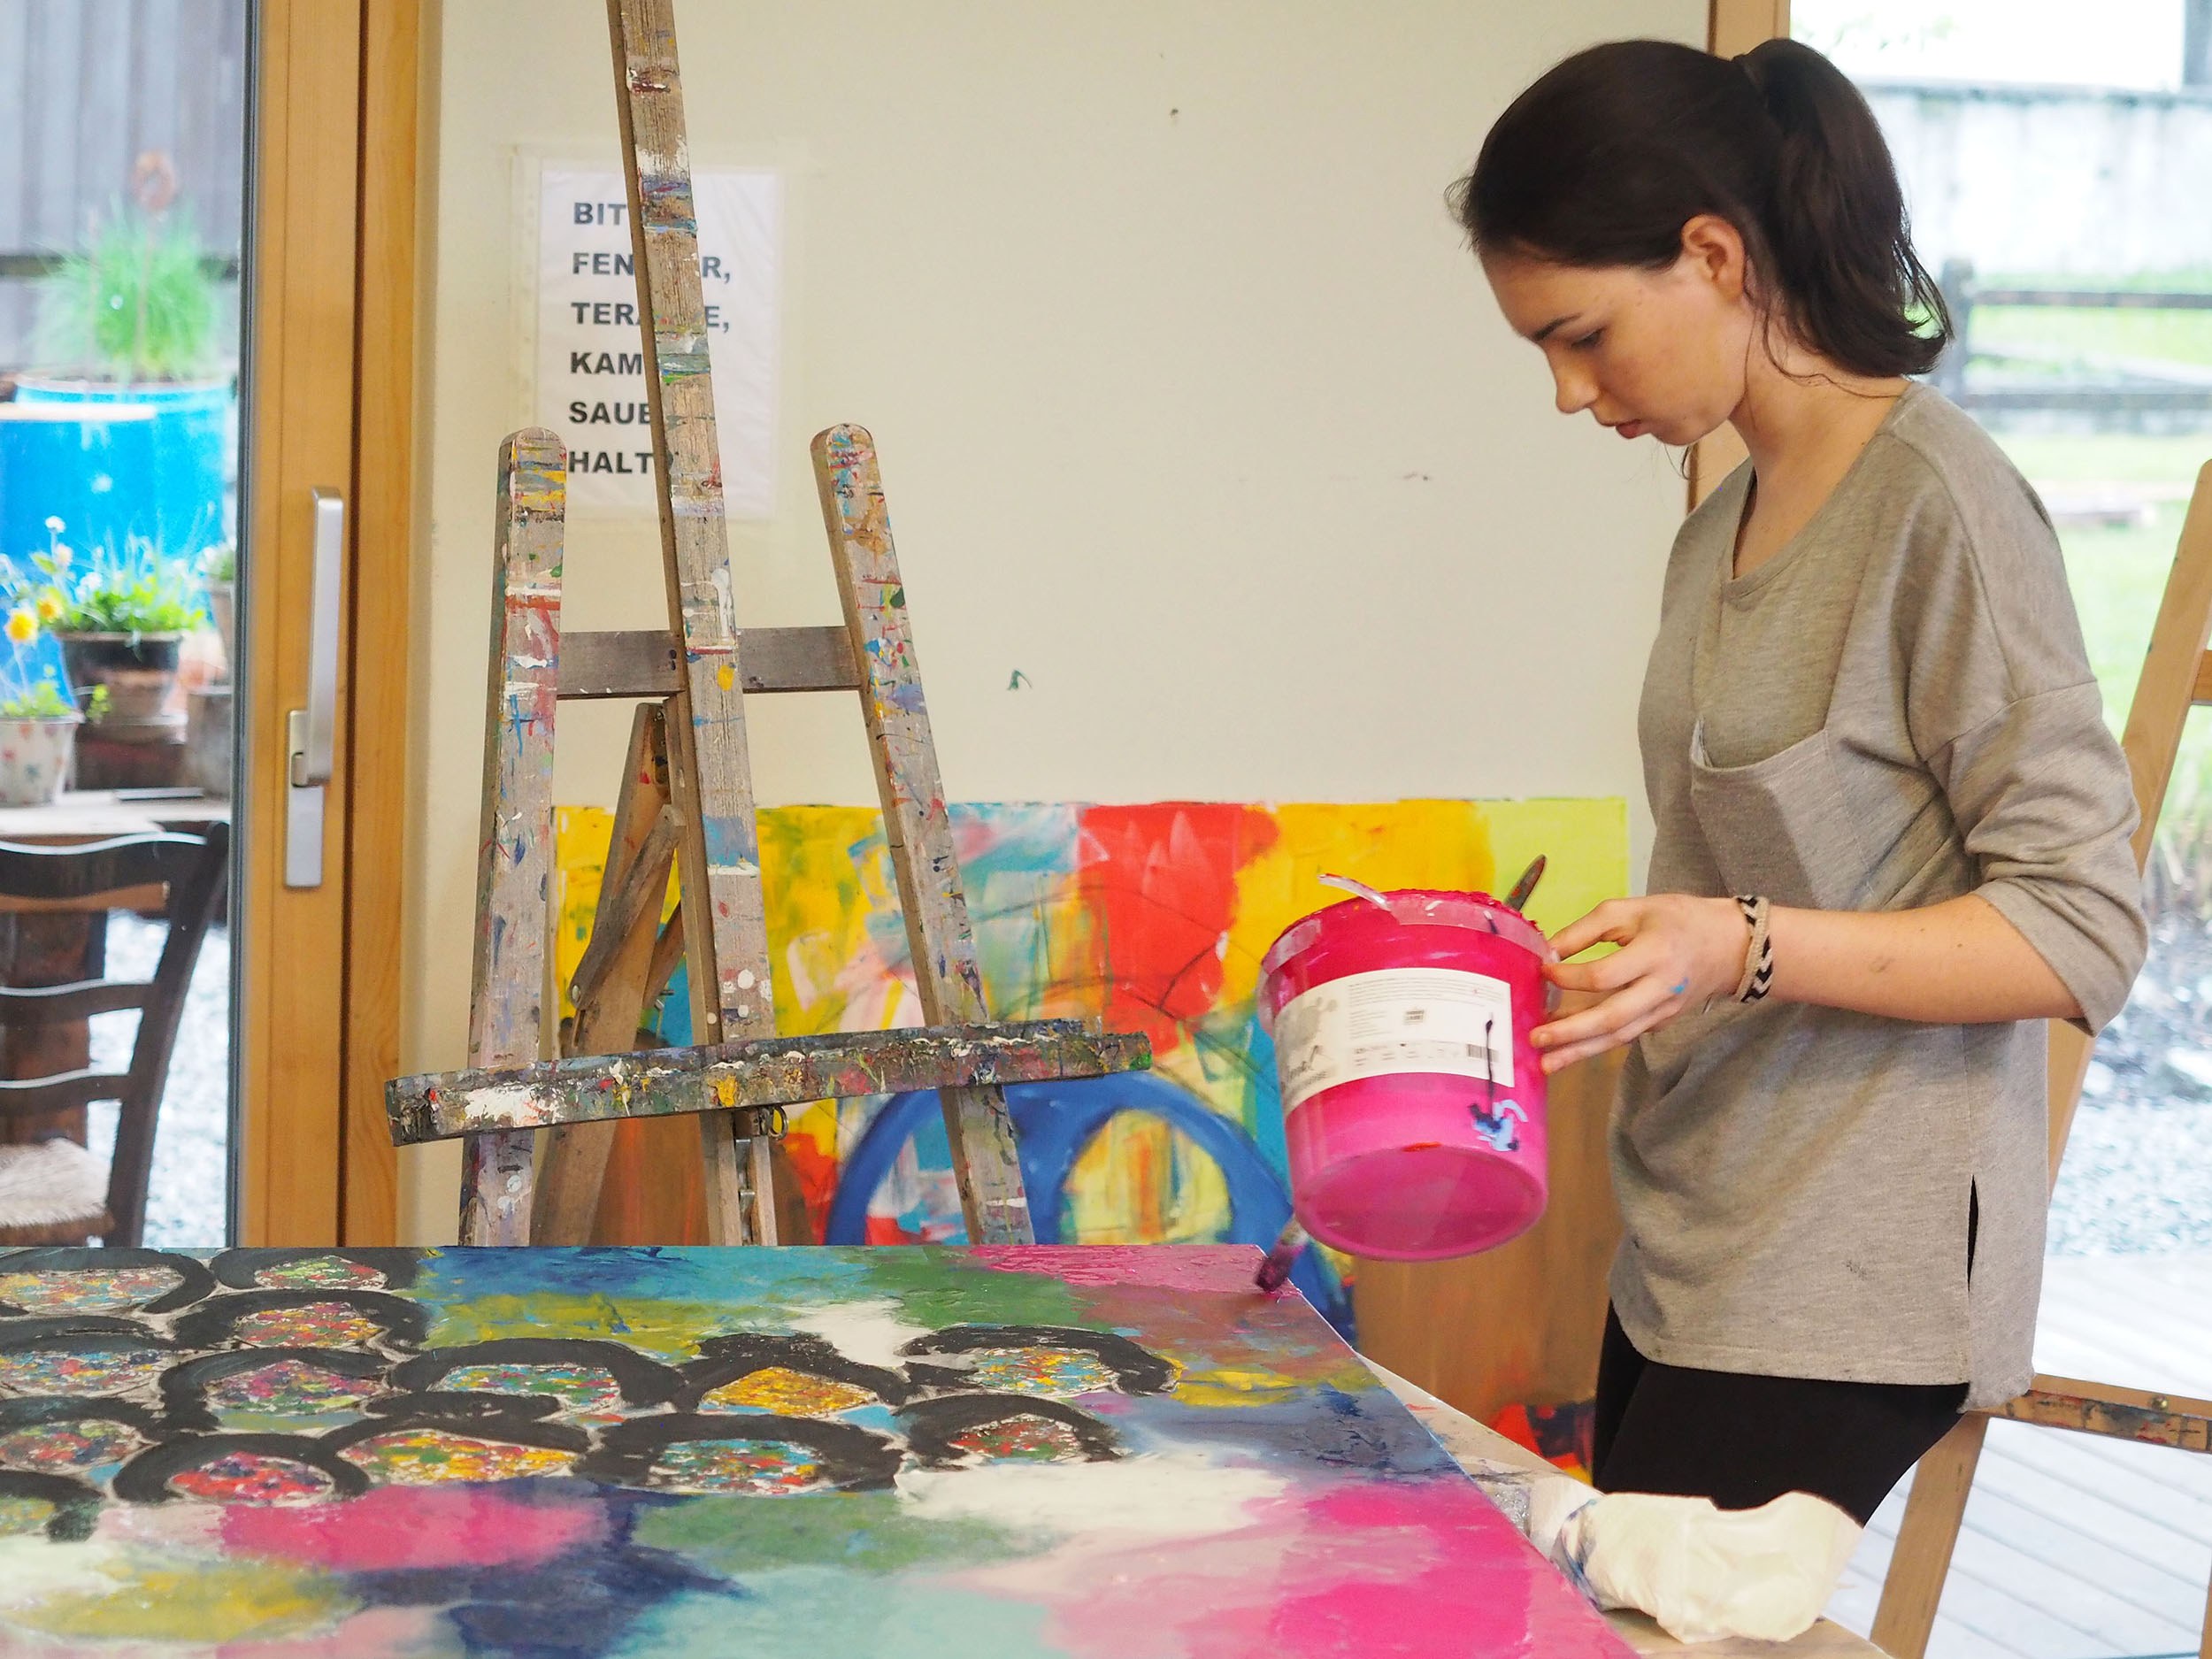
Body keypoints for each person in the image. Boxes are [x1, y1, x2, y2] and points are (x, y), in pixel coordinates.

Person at [1451, 34, 2147, 1621]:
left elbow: (2084, 925)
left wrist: (1736, 946)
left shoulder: (1942, 509)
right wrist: (1638, 960)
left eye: (1584, 336)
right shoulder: (1715, 534)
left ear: (1715, 255)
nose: (1570, 393)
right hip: (1687, 1246)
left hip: (1846, 1280)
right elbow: (1737, 897)